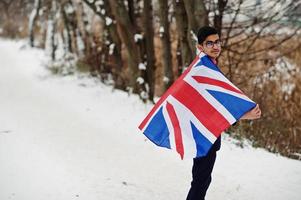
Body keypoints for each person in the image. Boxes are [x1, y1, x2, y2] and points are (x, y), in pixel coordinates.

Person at [186, 26, 261, 200]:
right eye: (209, 43)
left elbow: (217, 102)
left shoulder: (209, 66)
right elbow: (214, 106)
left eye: (217, 42)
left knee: (202, 179)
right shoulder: (203, 69)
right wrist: (243, 115)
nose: (215, 46)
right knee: (200, 180)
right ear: (200, 47)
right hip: (203, 134)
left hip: (208, 133)